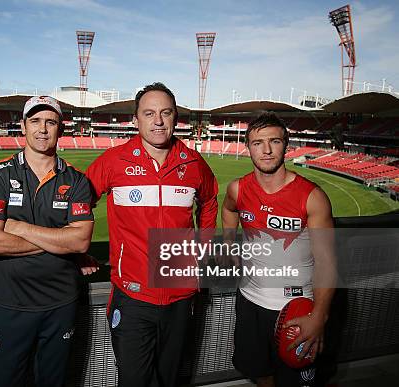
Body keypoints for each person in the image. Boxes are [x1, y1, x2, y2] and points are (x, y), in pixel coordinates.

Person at [86, 82, 219, 387]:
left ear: (175, 117)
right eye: (149, 113)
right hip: (132, 297)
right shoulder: (113, 161)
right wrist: (78, 250)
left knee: (169, 379)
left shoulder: (193, 162)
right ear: (136, 120)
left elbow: (210, 201)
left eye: (165, 113)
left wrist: (203, 248)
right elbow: (79, 205)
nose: (158, 121)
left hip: (181, 295)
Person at [0, 95, 96, 387]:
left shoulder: (77, 180)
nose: (43, 129)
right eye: (36, 121)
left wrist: (19, 228)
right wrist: (60, 241)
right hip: (9, 306)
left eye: (51, 122)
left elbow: (80, 243)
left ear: (60, 129)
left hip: (60, 304)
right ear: (23, 126)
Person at [221, 111, 336, 387]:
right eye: (258, 143)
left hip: (296, 307)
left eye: (274, 141)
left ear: (286, 145)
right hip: (249, 301)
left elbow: (328, 263)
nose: (267, 150)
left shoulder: (312, 197)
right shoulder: (238, 189)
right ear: (248, 147)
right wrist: (228, 244)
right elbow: (228, 211)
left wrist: (319, 315)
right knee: (259, 371)